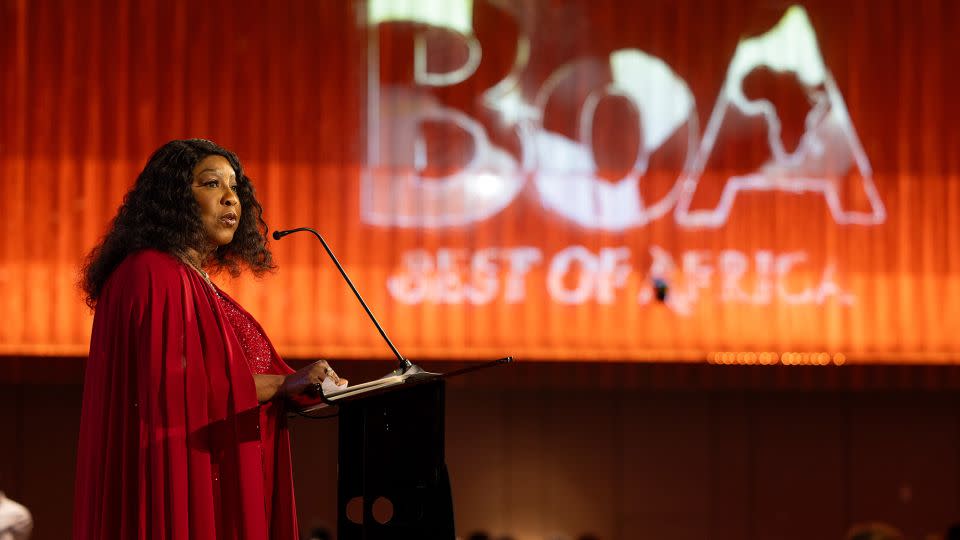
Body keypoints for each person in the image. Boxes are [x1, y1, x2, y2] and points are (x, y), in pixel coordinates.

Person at [73, 139, 346, 539]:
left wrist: (303, 382)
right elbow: (176, 390)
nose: (230, 199)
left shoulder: (192, 281)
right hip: (178, 484)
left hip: (209, 472)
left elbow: (234, 373)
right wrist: (282, 383)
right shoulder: (154, 274)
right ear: (174, 199)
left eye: (235, 188)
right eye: (212, 184)